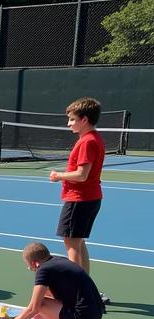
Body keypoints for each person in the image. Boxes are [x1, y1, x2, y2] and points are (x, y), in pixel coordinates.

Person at [0, 242, 104, 319]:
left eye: (29, 266)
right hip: (95, 316)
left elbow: (34, 308)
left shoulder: (44, 269)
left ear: (34, 263)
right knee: (44, 298)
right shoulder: (59, 261)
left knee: (41, 303)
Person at [49, 97, 104, 286]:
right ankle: (86, 286)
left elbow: (82, 175)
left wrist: (59, 175)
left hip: (80, 199)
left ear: (85, 120)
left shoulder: (87, 142)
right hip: (90, 197)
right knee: (78, 242)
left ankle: (77, 289)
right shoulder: (92, 138)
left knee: (71, 243)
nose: (69, 123)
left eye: (72, 119)